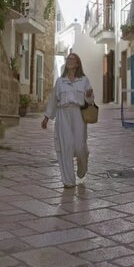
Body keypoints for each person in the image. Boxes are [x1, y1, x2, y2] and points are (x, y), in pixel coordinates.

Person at [41, 53, 94, 188]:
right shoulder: (60, 81)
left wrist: (88, 96)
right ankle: (68, 180)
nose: (69, 60)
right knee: (66, 147)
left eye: (72, 59)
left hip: (78, 114)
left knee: (80, 147)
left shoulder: (84, 80)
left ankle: (82, 166)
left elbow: (90, 100)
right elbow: (53, 100)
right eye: (68, 58)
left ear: (77, 64)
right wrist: (46, 118)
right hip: (63, 114)